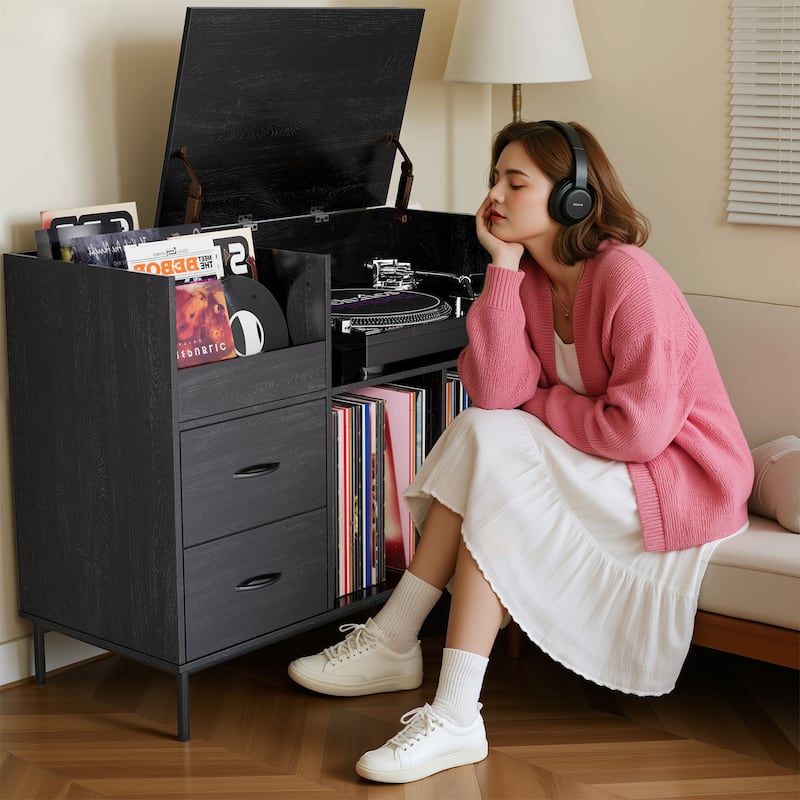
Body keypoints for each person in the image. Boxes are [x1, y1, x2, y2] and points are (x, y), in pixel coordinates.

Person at [287, 120, 754, 784]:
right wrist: (501, 270)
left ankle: (441, 698)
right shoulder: (529, 278)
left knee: (496, 459)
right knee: (485, 435)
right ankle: (406, 658)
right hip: (605, 459)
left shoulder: (628, 279)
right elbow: (499, 391)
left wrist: (541, 403)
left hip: (674, 476)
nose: (496, 196)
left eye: (516, 182)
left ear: (574, 198)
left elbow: (638, 433)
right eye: (494, 179)